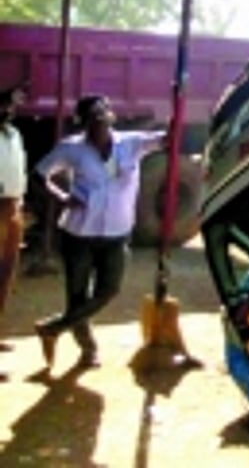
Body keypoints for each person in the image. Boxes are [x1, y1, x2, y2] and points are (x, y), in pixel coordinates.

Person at [33, 95, 166, 369]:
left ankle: (53, 328)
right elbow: (39, 174)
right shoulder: (71, 149)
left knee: (109, 290)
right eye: (93, 120)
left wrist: (177, 113)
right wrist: (62, 197)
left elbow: (167, 140)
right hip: (78, 234)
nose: (99, 125)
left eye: (103, 118)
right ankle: (88, 350)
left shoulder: (132, 143)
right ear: (84, 124)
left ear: (111, 118)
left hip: (117, 233)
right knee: (78, 296)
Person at [0, 88, 28, 382]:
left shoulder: (14, 136)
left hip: (12, 208)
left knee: (5, 277)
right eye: (4, 105)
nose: (8, 110)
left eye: (11, 106)